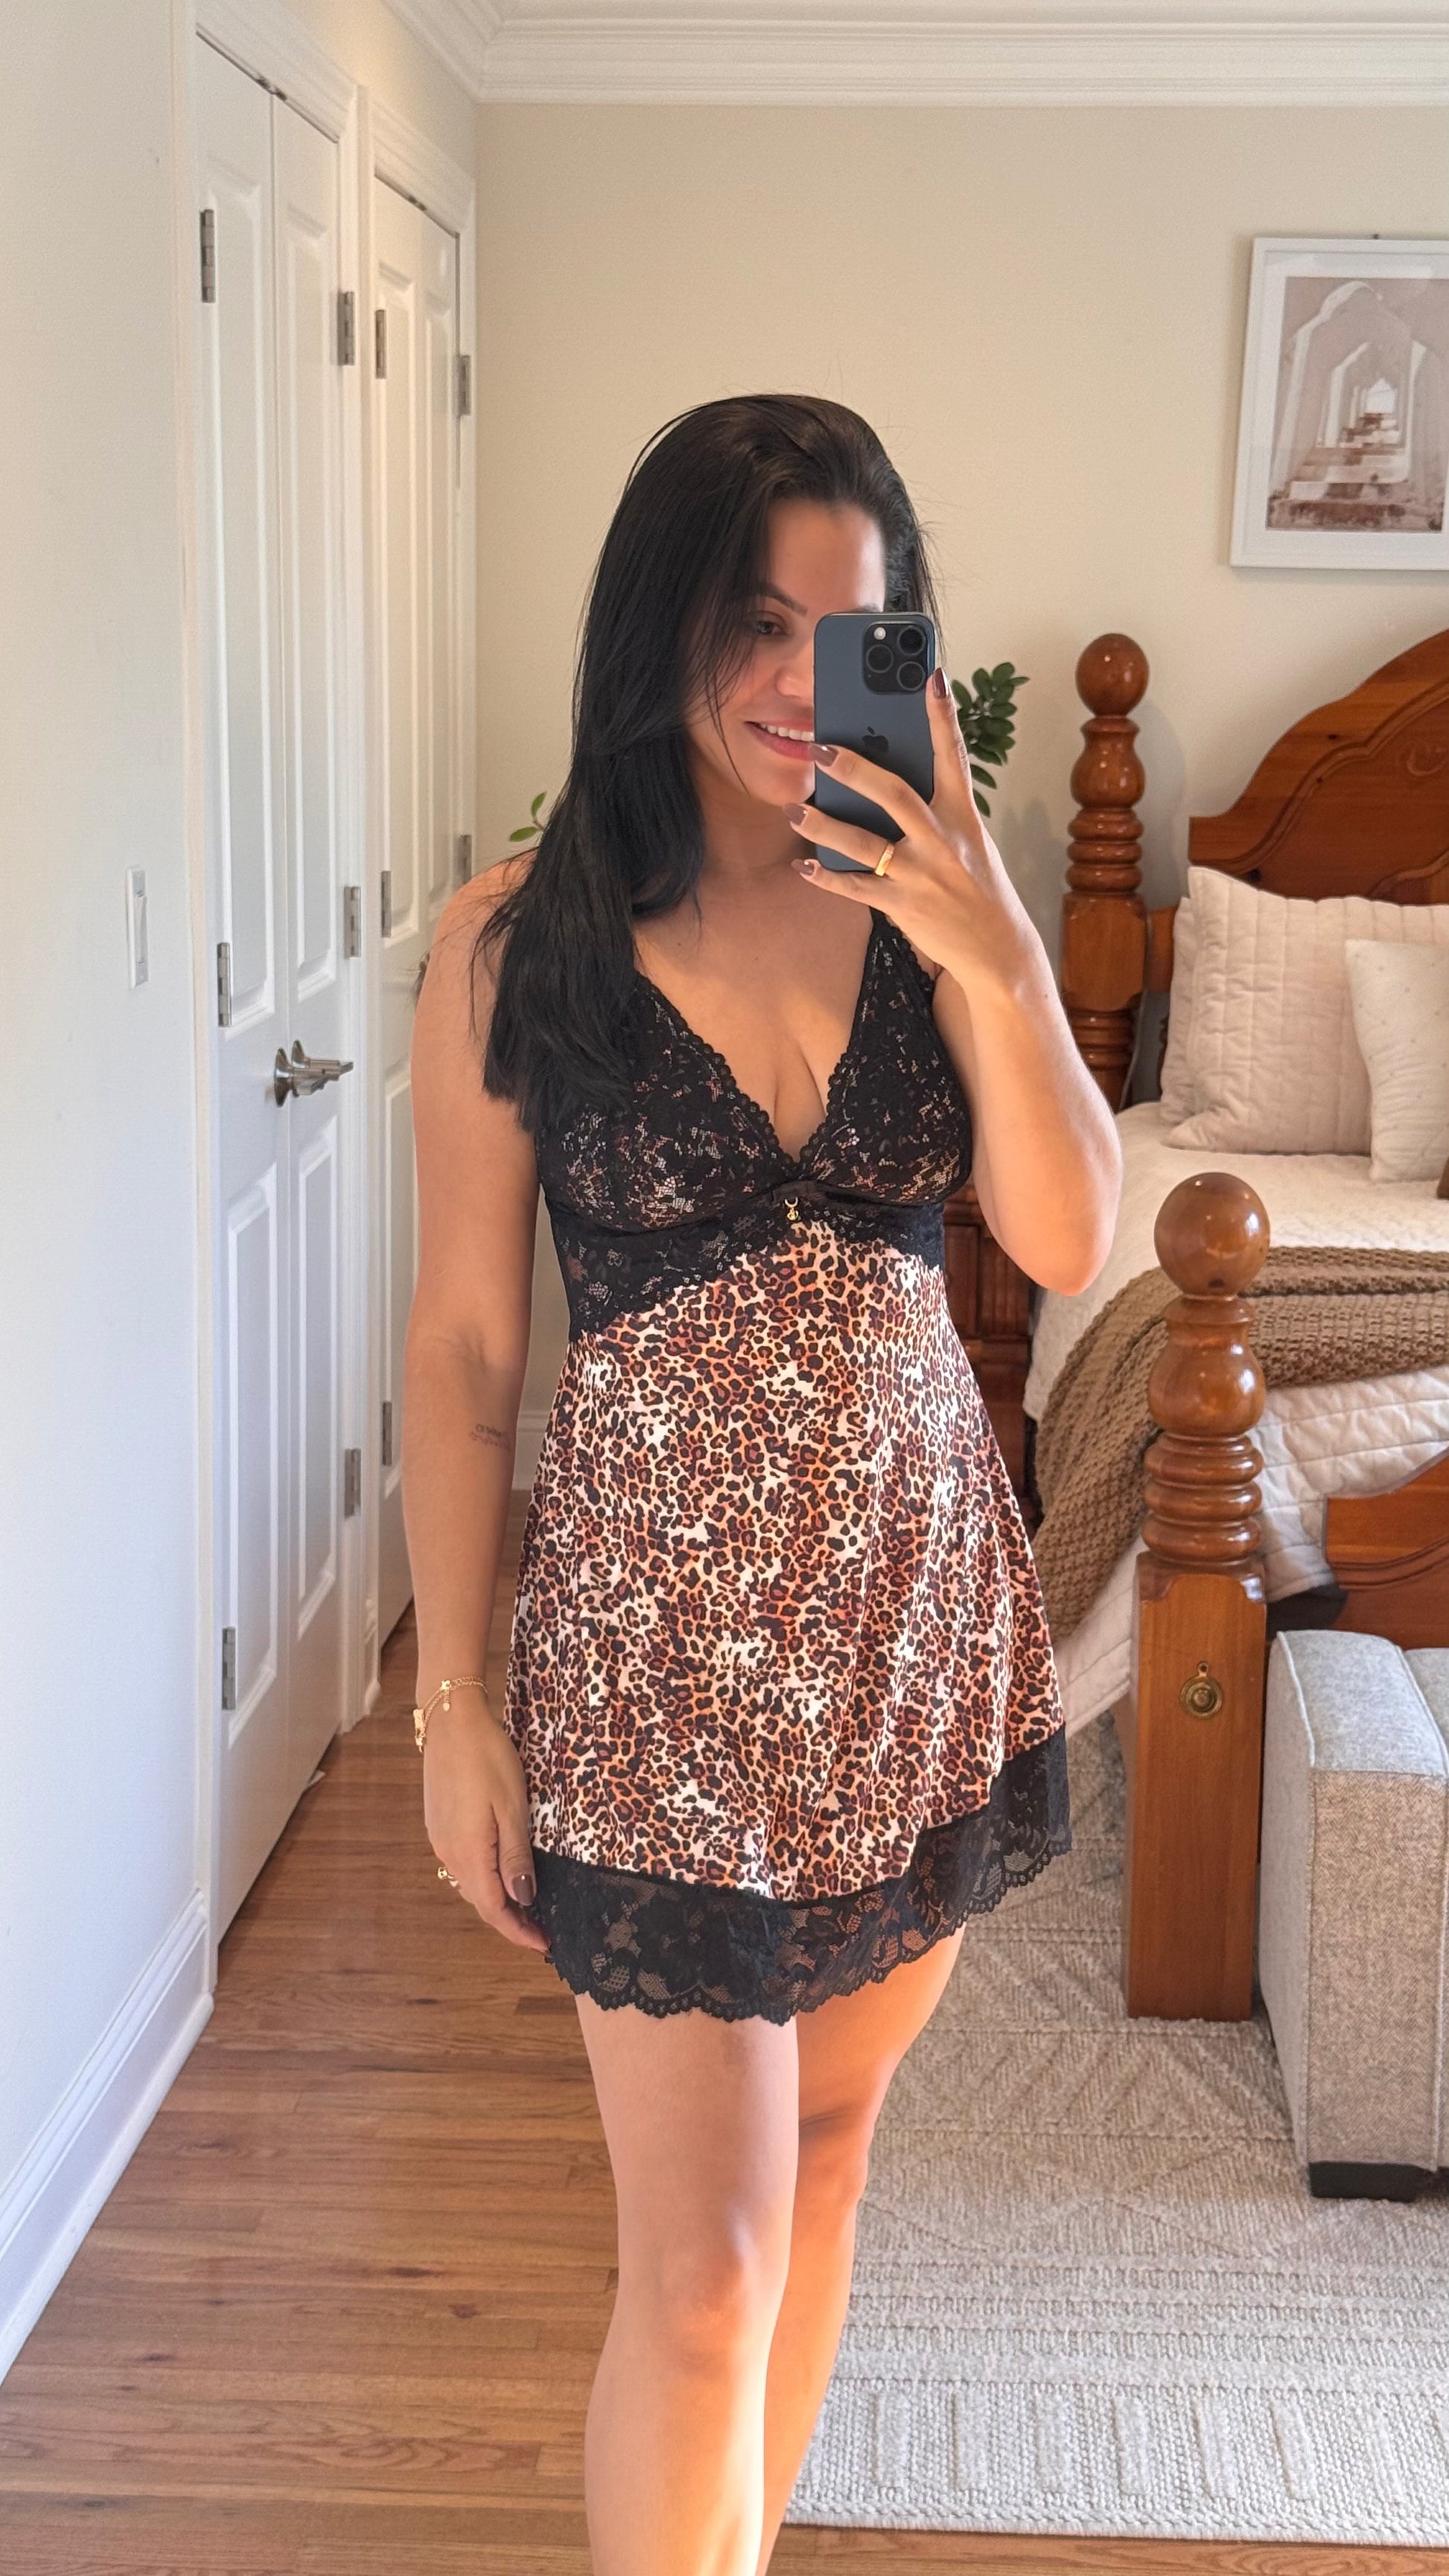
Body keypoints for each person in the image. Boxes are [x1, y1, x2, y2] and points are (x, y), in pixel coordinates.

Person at [403, 394, 1121, 2576]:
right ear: (659, 625)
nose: (804, 679)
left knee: (822, 2169)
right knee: (701, 2271)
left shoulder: (933, 913)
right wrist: (454, 1703)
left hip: (906, 1622)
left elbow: (1069, 1236)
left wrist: (997, 941)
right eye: (753, 619)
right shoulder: (516, 942)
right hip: (653, 1666)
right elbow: (465, 1350)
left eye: (854, 631)